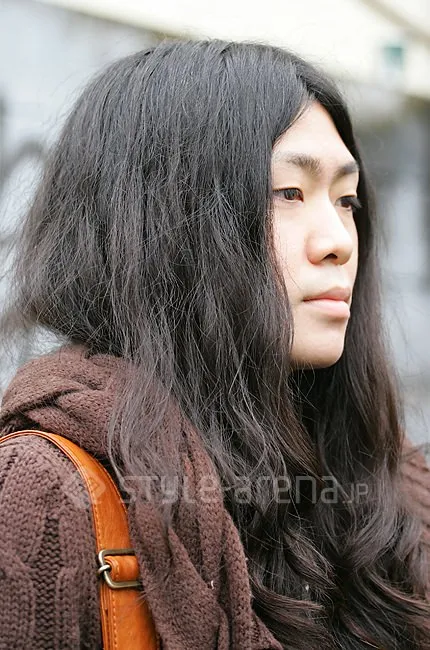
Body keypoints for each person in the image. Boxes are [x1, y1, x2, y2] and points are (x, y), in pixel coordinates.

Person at [0, 39, 429, 649]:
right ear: (166, 220)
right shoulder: (44, 496)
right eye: (289, 193)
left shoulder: (394, 484)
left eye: (346, 199)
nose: (339, 239)